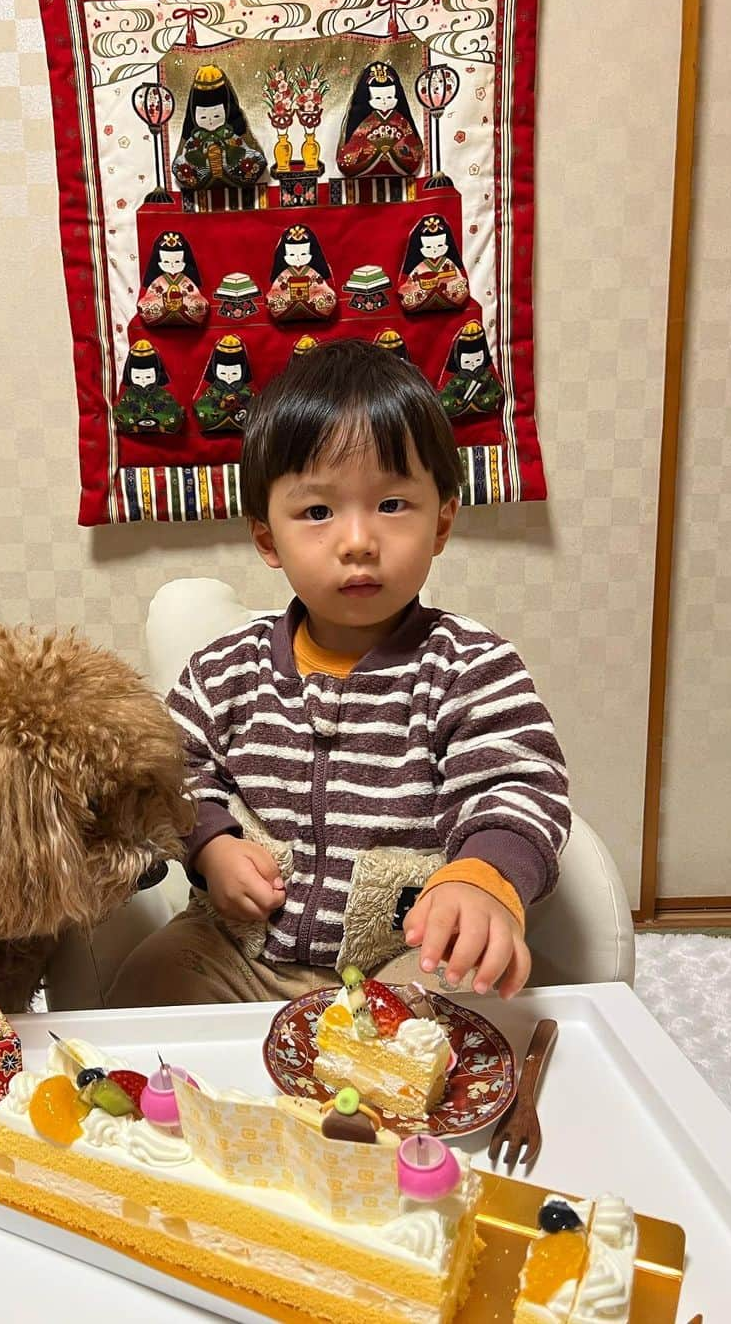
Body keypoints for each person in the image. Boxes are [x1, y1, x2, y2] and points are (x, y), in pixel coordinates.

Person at [107, 338, 569, 1008]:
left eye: (391, 505)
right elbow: (166, 772)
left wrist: (483, 876)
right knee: (144, 987)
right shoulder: (225, 670)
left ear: (441, 522)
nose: (357, 541)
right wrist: (212, 845)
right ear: (268, 537)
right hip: (240, 949)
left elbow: (518, 784)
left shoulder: (470, 666)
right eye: (317, 512)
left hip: (404, 958)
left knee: (467, 998)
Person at [172, 63, 268, 191]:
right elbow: (180, 167)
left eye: (217, 116)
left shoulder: (232, 137)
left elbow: (256, 161)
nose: (211, 121)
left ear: (226, 112)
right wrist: (207, 163)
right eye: (203, 117)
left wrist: (223, 160)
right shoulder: (194, 140)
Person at [336, 61, 425, 179]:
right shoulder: (367, 122)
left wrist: (395, 150)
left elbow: (411, 147)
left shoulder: (400, 120)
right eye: (378, 97)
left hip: (400, 164)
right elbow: (352, 150)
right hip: (364, 167)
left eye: (389, 97)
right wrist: (374, 150)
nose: (384, 101)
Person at [397, 213, 470, 314]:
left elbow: (458, 278)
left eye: (440, 245)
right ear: (421, 249)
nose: (435, 249)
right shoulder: (420, 266)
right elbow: (411, 282)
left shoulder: (448, 262)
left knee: (459, 289)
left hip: (448, 291)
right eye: (428, 247)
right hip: (423, 292)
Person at [266, 224, 337, 323]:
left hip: (312, 302)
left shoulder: (312, 272)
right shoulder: (284, 274)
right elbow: (276, 291)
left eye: (303, 253)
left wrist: (312, 298)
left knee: (327, 299)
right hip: (288, 304)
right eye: (292, 254)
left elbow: (322, 289)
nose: (298, 257)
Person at [137, 231, 209, 328]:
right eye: (166, 261)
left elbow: (195, 298)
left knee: (200, 306)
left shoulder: (186, 280)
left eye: (177, 261)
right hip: (161, 310)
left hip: (185, 310)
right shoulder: (158, 281)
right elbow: (149, 299)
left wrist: (182, 304)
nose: (171, 265)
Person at [113, 340, 184, 435]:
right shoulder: (129, 394)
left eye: (148, 377)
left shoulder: (162, 393)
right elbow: (122, 412)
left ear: (157, 375)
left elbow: (171, 409)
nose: (143, 380)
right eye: (137, 377)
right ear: (130, 376)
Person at [440, 319, 505, 419]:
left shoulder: (487, 376)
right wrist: (457, 395)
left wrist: (483, 394)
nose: (472, 364)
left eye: (478, 359)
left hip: (485, 412)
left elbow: (497, 393)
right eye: (467, 362)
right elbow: (445, 400)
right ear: (458, 361)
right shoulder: (456, 380)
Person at [194, 334, 255, 434]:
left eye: (234, 373)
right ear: (214, 370)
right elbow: (202, 406)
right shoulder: (212, 390)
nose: (229, 376)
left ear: (243, 371)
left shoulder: (246, 390)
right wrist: (220, 405)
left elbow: (253, 405)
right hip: (216, 421)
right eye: (223, 373)